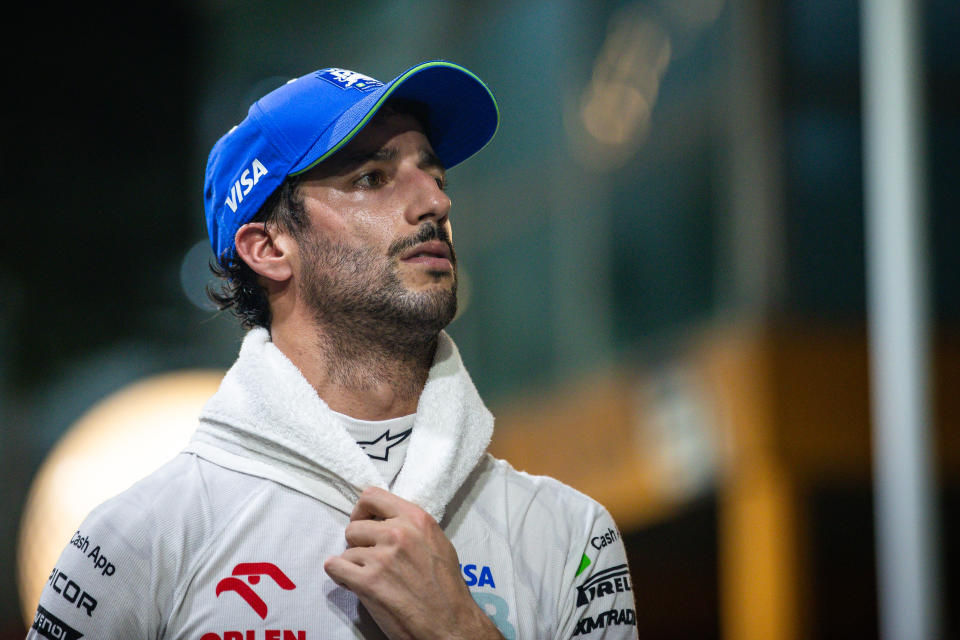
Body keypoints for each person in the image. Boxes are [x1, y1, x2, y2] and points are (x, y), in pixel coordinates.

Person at [27, 61, 638, 640]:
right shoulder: (141, 539)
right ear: (268, 249)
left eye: (436, 174)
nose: (436, 203)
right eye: (371, 178)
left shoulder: (572, 536)